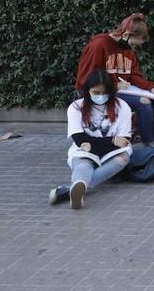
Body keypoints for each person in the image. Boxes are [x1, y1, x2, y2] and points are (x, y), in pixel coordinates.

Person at [75, 13, 154, 155]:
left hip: (122, 91)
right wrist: (113, 85)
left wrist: (151, 88)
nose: (133, 49)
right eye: (133, 44)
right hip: (101, 92)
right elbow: (87, 78)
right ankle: (149, 147)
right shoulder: (99, 45)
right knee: (144, 102)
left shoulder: (128, 50)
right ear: (126, 34)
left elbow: (134, 74)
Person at [50, 69, 133, 209]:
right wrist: (112, 141)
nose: (100, 96)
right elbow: (79, 139)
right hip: (86, 152)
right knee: (84, 165)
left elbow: (123, 140)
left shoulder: (122, 107)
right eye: (96, 93)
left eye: (104, 93)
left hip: (112, 153)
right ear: (87, 91)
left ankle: (72, 189)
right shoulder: (76, 107)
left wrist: (93, 143)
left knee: (123, 158)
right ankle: (76, 189)